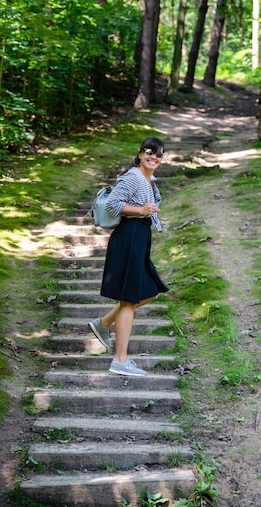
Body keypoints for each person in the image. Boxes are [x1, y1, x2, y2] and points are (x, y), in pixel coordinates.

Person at [88, 137, 169, 376]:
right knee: (129, 299)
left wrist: (147, 211)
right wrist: (141, 210)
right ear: (140, 153)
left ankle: (103, 324)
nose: (154, 157)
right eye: (149, 152)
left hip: (138, 237)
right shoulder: (133, 176)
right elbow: (113, 203)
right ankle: (120, 360)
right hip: (129, 237)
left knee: (149, 292)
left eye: (159, 155)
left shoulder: (148, 179)